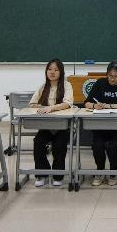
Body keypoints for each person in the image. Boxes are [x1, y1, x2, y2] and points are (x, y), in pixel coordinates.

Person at [83, 60, 117, 186]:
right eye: (110, 76)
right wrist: (94, 106)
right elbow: (87, 103)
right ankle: (100, 171)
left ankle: (113, 172)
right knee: (97, 145)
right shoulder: (100, 83)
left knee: (112, 146)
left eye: (116, 76)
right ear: (107, 74)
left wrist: (110, 106)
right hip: (101, 125)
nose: (112, 79)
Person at [29, 58, 74, 187]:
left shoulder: (66, 85)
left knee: (59, 145)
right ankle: (42, 173)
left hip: (62, 126)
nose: (52, 72)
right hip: (46, 126)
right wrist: (41, 107)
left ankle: (58, 175)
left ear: (61, 72)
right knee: (38, 142)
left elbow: (67, 104)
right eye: (49, 69)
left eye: (56, 70)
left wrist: (51, 108)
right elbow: (32, 104)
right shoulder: (43, 87)